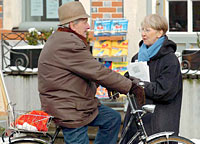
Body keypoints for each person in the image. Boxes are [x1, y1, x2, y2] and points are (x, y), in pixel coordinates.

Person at [38, 1, 145, 144]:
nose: (88, 26)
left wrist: (109, 84)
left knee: (112, 119)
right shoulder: (69, 44)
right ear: (72, 24)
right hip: (70, 110)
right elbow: (97, 71)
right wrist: (130, 86)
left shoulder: (63, 39)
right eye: (84, 22)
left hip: (78, 104)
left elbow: (85, 71)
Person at [121, 14, 183, 143]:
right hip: (139, 117)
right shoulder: (137, 57)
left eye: (147, 30)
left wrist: (141, 84)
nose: (143, 34)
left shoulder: (170, 60)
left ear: (160, 32)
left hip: (159, 120)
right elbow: (131, 81)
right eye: (142, 29)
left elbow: (165, 90)